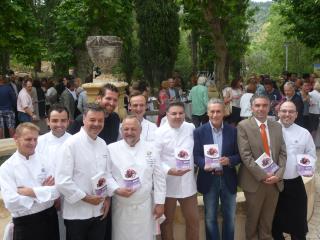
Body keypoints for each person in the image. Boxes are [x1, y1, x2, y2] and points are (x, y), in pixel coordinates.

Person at [55, 103, 117, 240]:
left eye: (100, 120)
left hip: (99, 211)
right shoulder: (70, 145)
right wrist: (86, 198)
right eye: (92, 120)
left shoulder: (102, 144)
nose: (96, 124)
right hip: (77, 214)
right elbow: (62, 181)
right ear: (84, 119)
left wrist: (107, 198)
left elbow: (106, 174)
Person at [237, 94, 287, 240]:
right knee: (253, 218)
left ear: (269, 107)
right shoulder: (243, 126)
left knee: (268, 218)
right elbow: (245, 156)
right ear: (251, 108)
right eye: (257, 105)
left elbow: (283, 153)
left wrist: (278, 175)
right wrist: (264, 175)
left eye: (264, 105)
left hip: (275, 180)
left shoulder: (277, 126)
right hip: (255, 181)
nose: (261, 109)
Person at [108, 115, 166, 239]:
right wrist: (116, 189)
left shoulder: (151, 149)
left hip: (145, 207)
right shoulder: (111, 149)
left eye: (133, 129)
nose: (129, 132)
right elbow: (106, 175)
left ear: (140, 131)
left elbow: (159, 177)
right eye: (126, 129)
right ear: (121, 130)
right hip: (121, 207)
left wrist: (160, 202)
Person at [0, 122, 60, 240]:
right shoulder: (6, 168)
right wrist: (42, 192)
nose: (33, 143)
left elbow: (57, 191)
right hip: (25, 223)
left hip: (50, 218)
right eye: (28, 139)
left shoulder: (46, 160)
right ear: (16, 139)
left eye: (35, 139)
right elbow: (11, 202)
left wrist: (30, 192)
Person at [193, 99, 240, 240]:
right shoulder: (199, 132)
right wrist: (203, 164)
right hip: (209, 179)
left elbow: (239, 155)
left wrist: (230, 160)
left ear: (224, 112)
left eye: (218, 111)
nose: (215, 114)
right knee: (210, 218)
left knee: (230, 218)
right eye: (212, 111)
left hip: (228, 178)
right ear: (207, 113)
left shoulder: (233, 131)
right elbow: (195, 155)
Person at [272, 101, 316, 240]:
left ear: (296, 115)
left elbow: (311, 155)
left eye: (291, 112)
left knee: (298, 224)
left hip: (294, 183)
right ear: (278, 112)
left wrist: (309, 168)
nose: (287, 114)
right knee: (275, 223)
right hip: (273, 184)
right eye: (284, 111)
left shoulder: (304, 133)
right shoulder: (269, 130)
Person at [155, 102, 199, 240]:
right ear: (167, 115)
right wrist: (169, 170)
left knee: (194, 220)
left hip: (188, 183)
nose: (177, 116)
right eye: (174, 113)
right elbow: (155, 160)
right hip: (168, 184)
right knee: (166, 222)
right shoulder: (159, 133)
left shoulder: (191, 128)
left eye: (181, 113)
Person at [35, 104, 71, 240]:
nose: (59, 124)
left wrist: (61, 192)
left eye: (63, 120)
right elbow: (34, 168)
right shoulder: (38, 142)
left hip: (69, 197)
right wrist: (49, 192)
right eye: (55, 120)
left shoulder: (74, 141)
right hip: (45, 195)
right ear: (47, 121)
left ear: (68, 121)